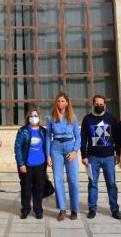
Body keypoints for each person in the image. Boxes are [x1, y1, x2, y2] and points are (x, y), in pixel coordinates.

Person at [80, 95, 121, 220]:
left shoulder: (111, 118)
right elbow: (83, 139)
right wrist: (84, 155)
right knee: (92, 184)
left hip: (109, 157)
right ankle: (92, 209)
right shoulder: (87, 119)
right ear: (93, 104)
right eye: (96, 104)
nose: (99, 106)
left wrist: (118, 154)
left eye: (101, 104)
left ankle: (114, 209)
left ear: (105, 105)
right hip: (93, 158)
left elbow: (117, 137)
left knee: (112, 184)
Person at [46, 93, 81, 221]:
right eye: (58, 101)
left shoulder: (73, 117)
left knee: (73, 180)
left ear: (67, 103)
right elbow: (48, 137)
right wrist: (48, 155)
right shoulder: (51, 118)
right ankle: (62, 209)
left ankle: (74, 209)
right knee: (58, 179)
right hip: (56, 148)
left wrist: (74, 151)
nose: (60, 103)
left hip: (69, 147)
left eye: (62, 101)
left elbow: (78, 136)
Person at [14, 107, 47, 219]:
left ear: (39, 118)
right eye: (31, 116)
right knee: (26, 188)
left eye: (36, 116)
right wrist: (20, 164)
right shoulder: (23, 131)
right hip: (26, 164)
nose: (34, 118)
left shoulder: (43, 131)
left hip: (40, 164)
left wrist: (49, 158)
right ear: (28, 118)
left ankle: (38, 210)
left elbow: (47, 147)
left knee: (39, 188)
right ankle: (25, 209)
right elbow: (17, 148)